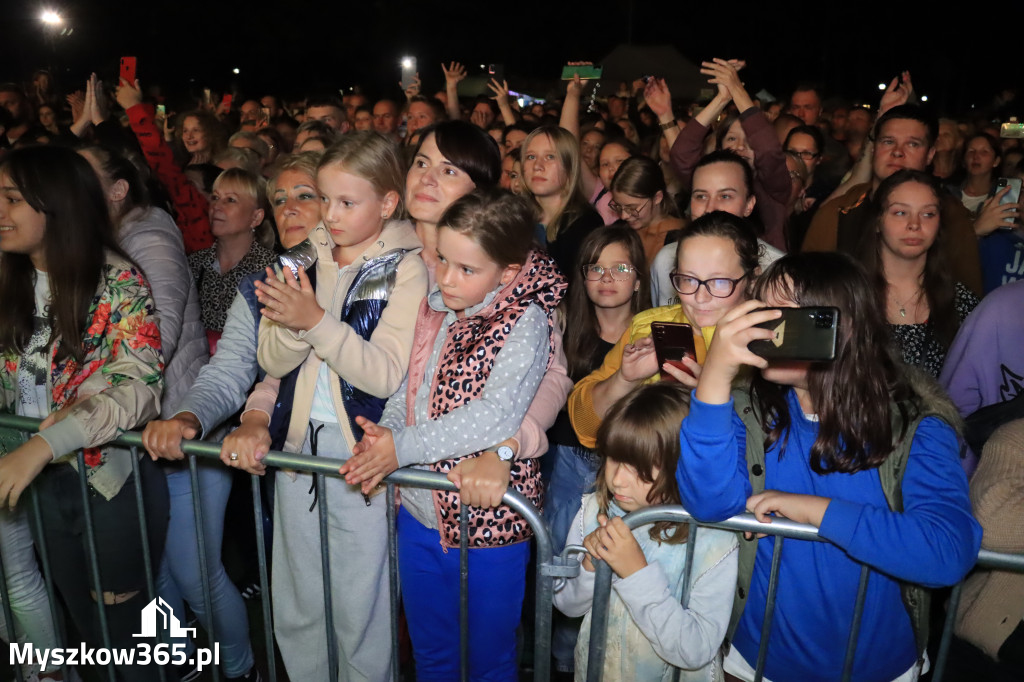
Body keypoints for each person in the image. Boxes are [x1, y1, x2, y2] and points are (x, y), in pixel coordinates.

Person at [676, 251, 982, 681]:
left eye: (785, 317)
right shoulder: (748, 412)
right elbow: (708, 503)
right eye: (762, 313)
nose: (767, 329)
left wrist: (811, 511)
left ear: (843, 326)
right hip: (756, 663)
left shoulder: (915, 428)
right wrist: (714, 379)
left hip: (878, 669)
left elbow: (947, 551)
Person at [339, 188, 566, 681]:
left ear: (506, 273)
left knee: (489, 663)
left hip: (490, 525)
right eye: (442, 259)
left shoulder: (524, 320)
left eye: (466, 269)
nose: (445, 278)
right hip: (421, 516)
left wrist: (402, 448)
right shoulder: (437, 304)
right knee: (433, 656)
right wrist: (387, 436)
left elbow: (496, 416)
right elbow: (408, 390)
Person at [254, 133, 428, 681]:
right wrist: (298, 321)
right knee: (300, 599)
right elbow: (271, 358)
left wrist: (313, 320)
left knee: (361, 604)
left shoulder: (408, 268)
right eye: (323, 199)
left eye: (347, 203)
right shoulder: (304, 257)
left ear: (388, 203)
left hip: (361, 453)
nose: (329, 215)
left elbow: (383, 371)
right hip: (299, 443)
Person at [0, 145, 168, 682]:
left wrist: (47, 442)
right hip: (43, 483)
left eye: (10, 198)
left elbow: (140, 384)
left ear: (57, 204)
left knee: (123, 643)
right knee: (87, 637)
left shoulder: (118, 281)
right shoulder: (12, 280)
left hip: (107, 482)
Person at [554, 382, 738, 682]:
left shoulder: (714, 540)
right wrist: (590, 567)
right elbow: (567, 605)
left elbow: (695, 649)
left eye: (640, 470)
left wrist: (635, 573)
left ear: (681, 468)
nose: (618, 481)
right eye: (613, 458)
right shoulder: (593, 510)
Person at [569, 211, 761, 449]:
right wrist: (624, 380)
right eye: (688, 280)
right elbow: (585, 427)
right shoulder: (649, 326)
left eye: (719, 282)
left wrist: (712, 398)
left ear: (752, 280)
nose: (700, 298)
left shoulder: (768, 343)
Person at [801, 104, 984, 296]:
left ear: (930, 154)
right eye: (888, 142)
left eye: (912, 144)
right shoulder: (838, 211)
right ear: (874, 149)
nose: (898, 152)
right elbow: (807, 290)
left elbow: (970, 298)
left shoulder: (950, 214)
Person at [648, 59, 790, 251]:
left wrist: (737, 88)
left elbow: (769, 151)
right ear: (720, 146)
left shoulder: (774, 187)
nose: (739, 147)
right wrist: (722, 97)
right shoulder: (709, 181)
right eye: (731, 139)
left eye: (749, 142)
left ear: (749, 203)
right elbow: (682, 153)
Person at [861, 169, 978, 377]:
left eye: (928, 214)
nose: (914, 225)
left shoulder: (961, 301)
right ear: (878, 221)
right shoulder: (848, 295)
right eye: (900, 212)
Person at [649, 151, 784, 308]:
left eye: (725, 196)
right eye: (701, 196)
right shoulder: (665, 260)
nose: (711, 208)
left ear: (749, 205)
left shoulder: (777, 270)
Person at [188, 168, 278, 351]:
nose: (217, 206)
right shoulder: (194, 264)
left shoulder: (271, 271)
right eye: (214, 197)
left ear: (256, 217)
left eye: (230, 200)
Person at [521, 124, 603, 275]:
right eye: (531, 157)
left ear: (570, 166)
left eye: (550, 157)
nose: (537, 166)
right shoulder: (513, 216)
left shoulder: (586, 224)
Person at [608, 155, 685, 265]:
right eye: (618, 207)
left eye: (632, 208)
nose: (624, 216)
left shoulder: (678, 239)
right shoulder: (620, 229)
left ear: (657, 198)